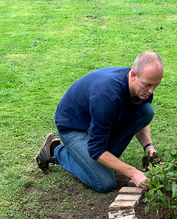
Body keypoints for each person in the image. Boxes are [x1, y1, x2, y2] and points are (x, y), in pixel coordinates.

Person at [35, 52, 163, 193]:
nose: (151, 91)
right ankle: (55, 150)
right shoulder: (108, 97)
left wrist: (148, 146)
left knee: (146, 111)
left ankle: (88, 159)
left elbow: (140, 114)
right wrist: (133, 172)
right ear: (133, 75)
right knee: (105, 182)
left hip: (96, 120)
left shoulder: (142, 87)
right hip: (73, 126)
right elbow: (96, 149)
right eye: (148, 85)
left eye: (156, 85)